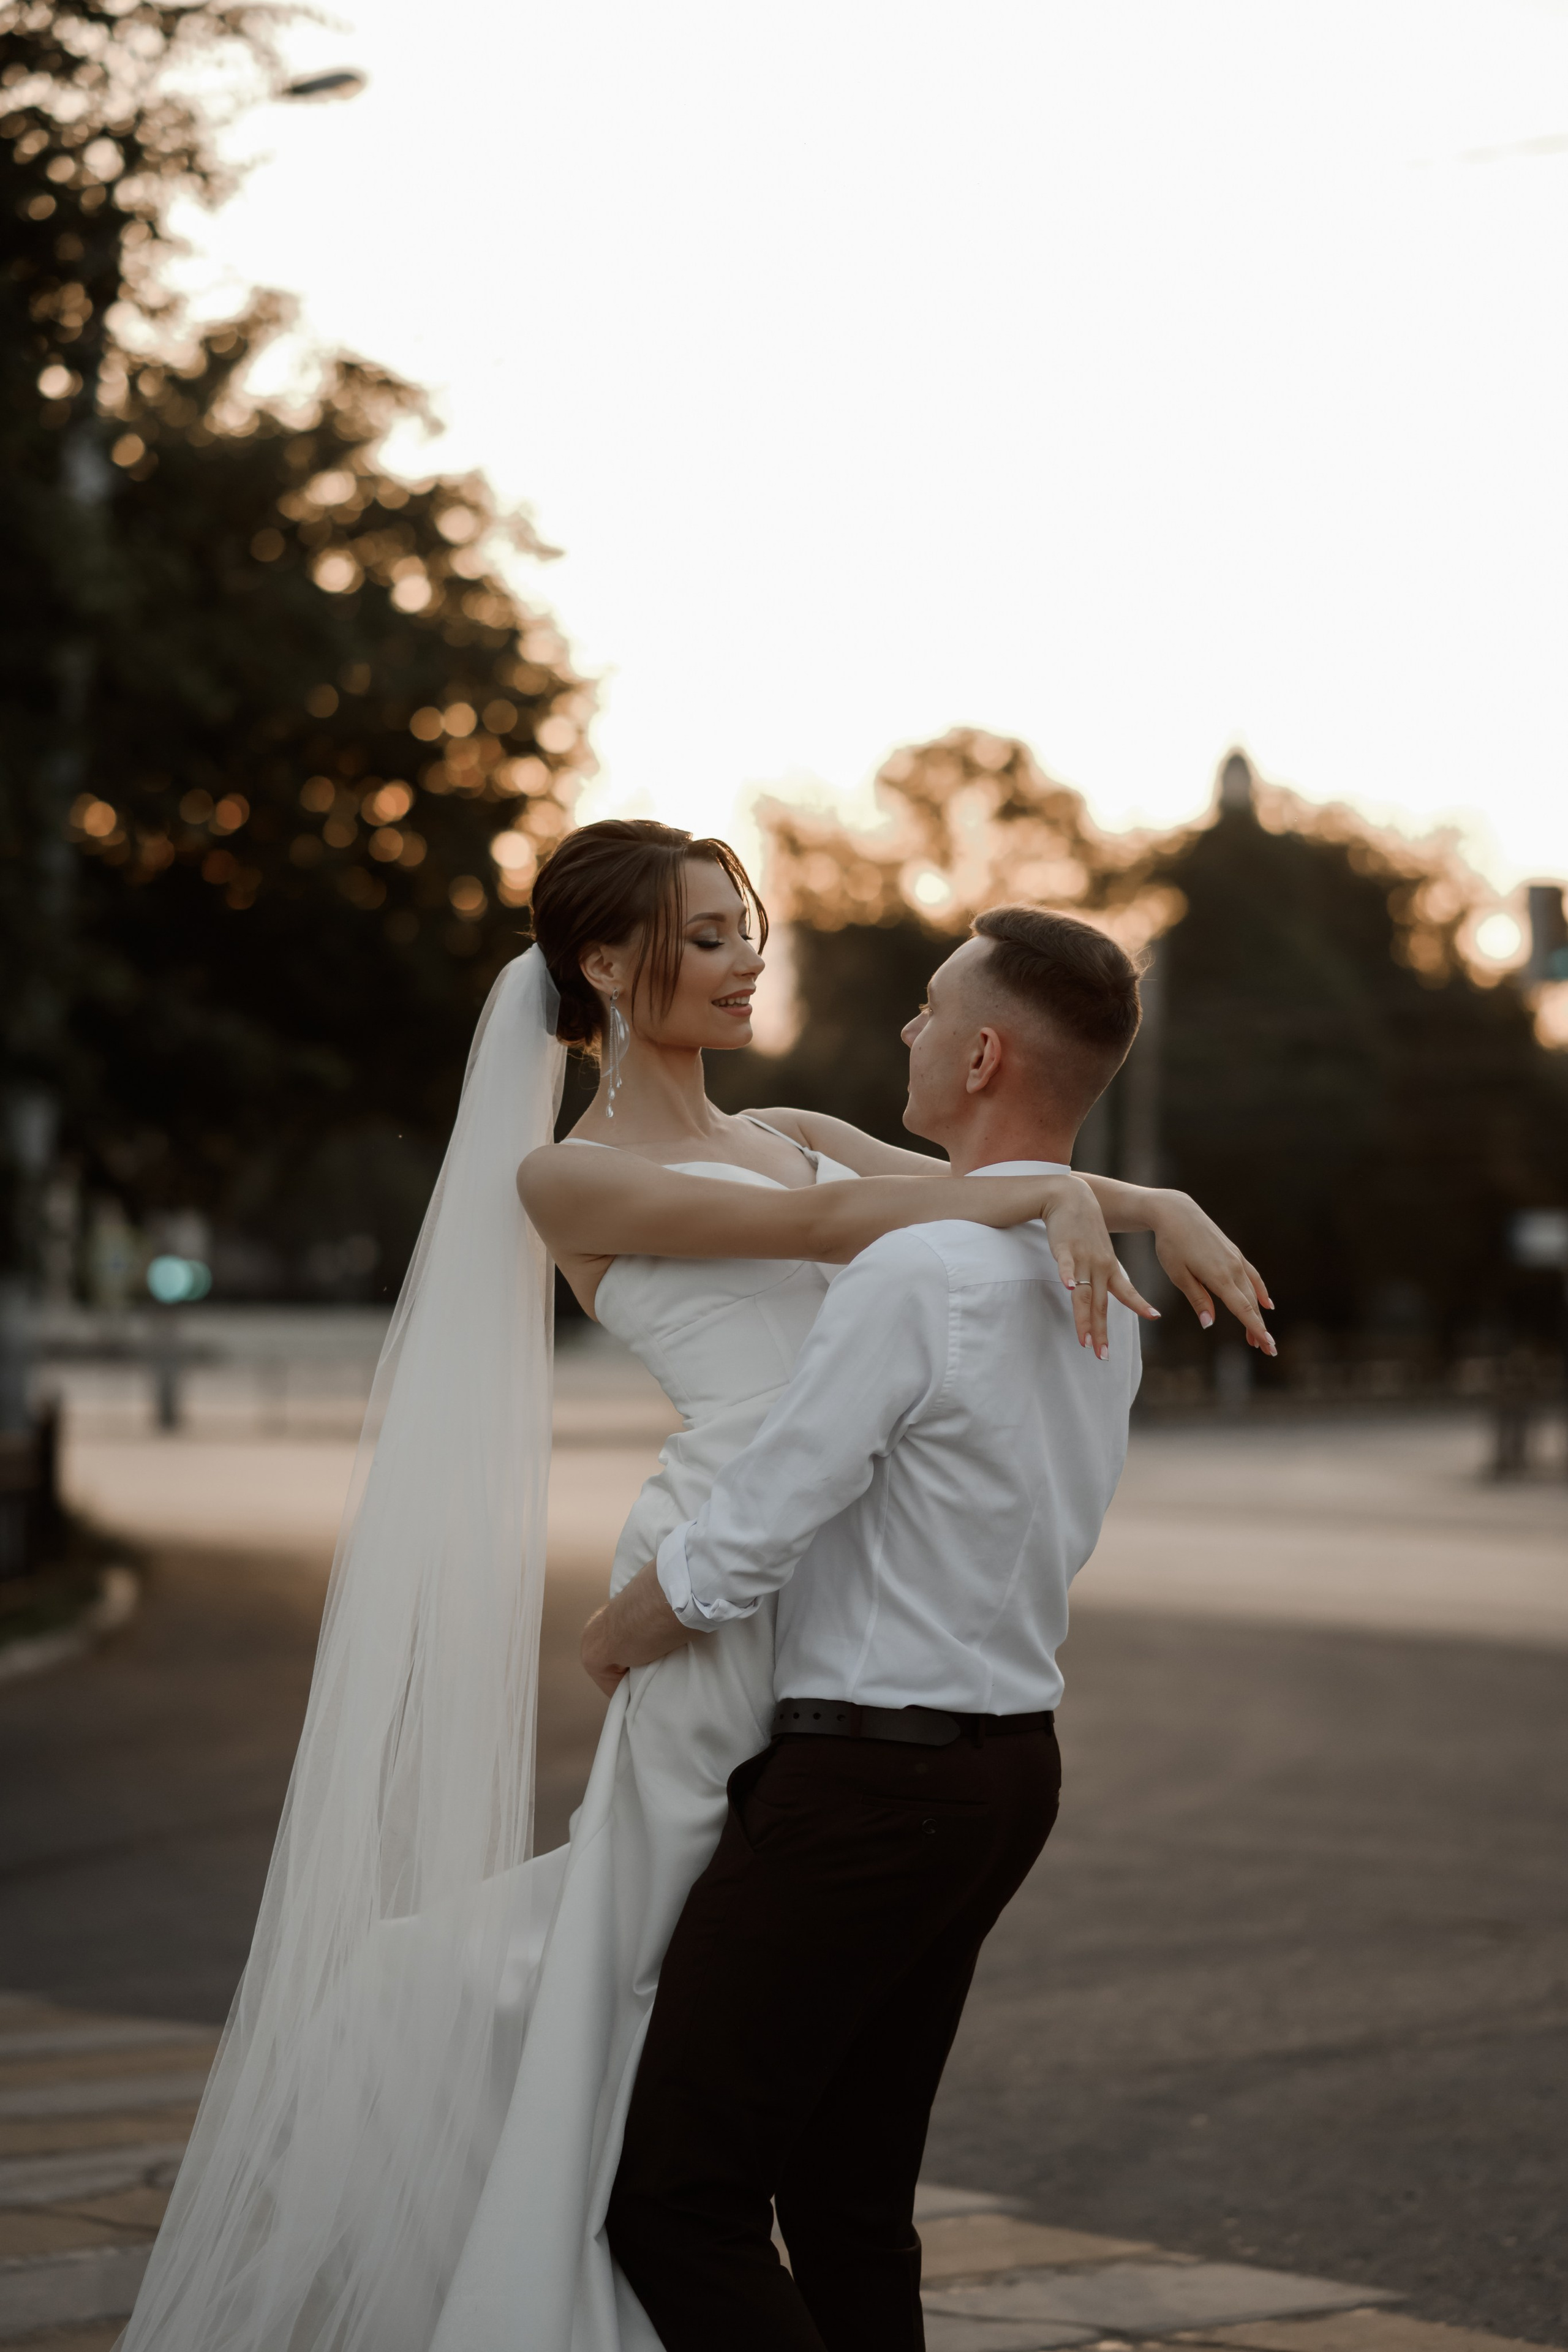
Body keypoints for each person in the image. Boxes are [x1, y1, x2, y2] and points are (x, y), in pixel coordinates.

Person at [121, 821, 1269, 2352]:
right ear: (602, 966)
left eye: (747, 930)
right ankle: (562, 2253)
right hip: (717, 1573)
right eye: (707, 936)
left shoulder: (790, 1119)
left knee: (754, 2047)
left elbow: (980, 1160)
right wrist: (1057, 1201)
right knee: (649, 1962)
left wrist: (1149, 1204)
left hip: (838, 1574)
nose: (745, 961)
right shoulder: (569, 1175)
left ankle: (630, 2239)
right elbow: (829, 1227)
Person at [590, 908, 1161, 2350]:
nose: (902, 1034)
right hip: (1003, 1770)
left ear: (978, 1053)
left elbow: (768, 1509)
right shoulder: (1096, 1287)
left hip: (867, 1783)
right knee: (850, 2197)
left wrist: (623, 1633)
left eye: (923, 1013)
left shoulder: (919, 1272)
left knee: (677, 2201)